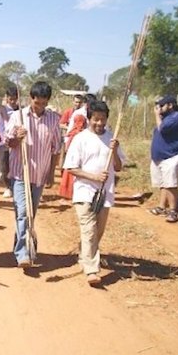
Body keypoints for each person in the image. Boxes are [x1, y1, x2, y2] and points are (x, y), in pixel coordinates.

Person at [63, 100, 125, 286]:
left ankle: (85, 254)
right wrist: (93, 177)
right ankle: (92, 270)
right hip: (84, 192)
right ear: (89, 118)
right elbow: (71, 168)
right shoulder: (80, 139)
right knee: (89, 229)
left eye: (103, 119)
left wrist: (114, 151)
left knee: (98, 231)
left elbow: (119, 167)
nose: (99, 123)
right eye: (96, 119)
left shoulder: (111, 139)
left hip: (105, 193)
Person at [5, 81, 61, 268]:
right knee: (23, 212)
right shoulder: (17, 117)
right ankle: (23, 254)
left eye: (44, 104)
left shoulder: (54, 119)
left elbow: (56, 149)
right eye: (38, 103)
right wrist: (16, 138)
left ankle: (23, 243)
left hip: (40, 175)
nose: (41, 107)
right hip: (20, 173)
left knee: (30, 214)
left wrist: (52, 173)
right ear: (31, 98)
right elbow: (8, 144)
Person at [149, 95, 178, 223]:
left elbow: (163, 129)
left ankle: (174, 210)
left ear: (170, 105)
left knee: (170, 184)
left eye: (161, 105)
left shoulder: (177, 117)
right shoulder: (167, 118)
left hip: (172, 155)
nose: (159, 108)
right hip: (160, 156)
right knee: (163, 184)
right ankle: (162, 206)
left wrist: (157, 115)